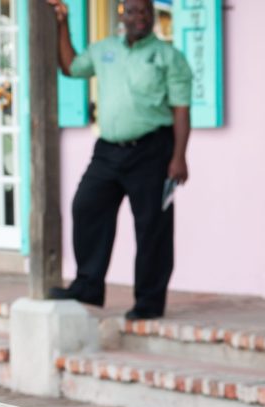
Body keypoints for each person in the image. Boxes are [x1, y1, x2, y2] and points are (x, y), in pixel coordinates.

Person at [44, 0, 192, 321]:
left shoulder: (169, 57)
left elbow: (181, 109)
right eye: (133, 11)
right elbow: (70, 66)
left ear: (152, 17)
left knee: (152, 227)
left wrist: (179, 157)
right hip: (108, 150)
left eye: (145, 13)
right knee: (86, 206)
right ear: (122, 14)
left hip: (153, 150)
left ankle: (149, 303)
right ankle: (88, 285)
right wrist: (61, 24)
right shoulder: (104, 49)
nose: (139, 18)